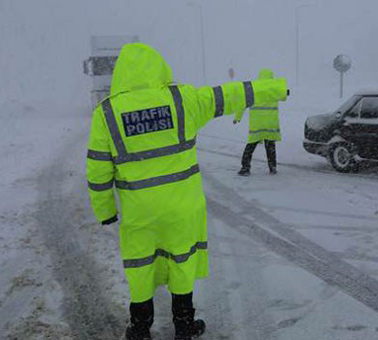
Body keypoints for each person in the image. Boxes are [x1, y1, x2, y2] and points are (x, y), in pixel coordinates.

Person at [86, 43, 288, 340]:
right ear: (159, 67)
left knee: (140, 266)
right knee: (182, 262)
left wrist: (106, 211)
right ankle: (184, 324)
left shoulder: (107, 113)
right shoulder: (182, 100)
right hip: (182, 208)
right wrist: (276, 88)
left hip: (139, 213)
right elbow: (229, 94)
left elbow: (98, 170)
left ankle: (140, 327)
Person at [234, 68, 282, 176]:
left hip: (257, 124)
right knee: (270, 147)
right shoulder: (274, 90)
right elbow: (285, 94)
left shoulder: (254, 90)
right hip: (270, 124)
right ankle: (272, 167)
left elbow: (243, 102)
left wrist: (237, 117)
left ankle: (245, 168)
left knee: (251, 146)